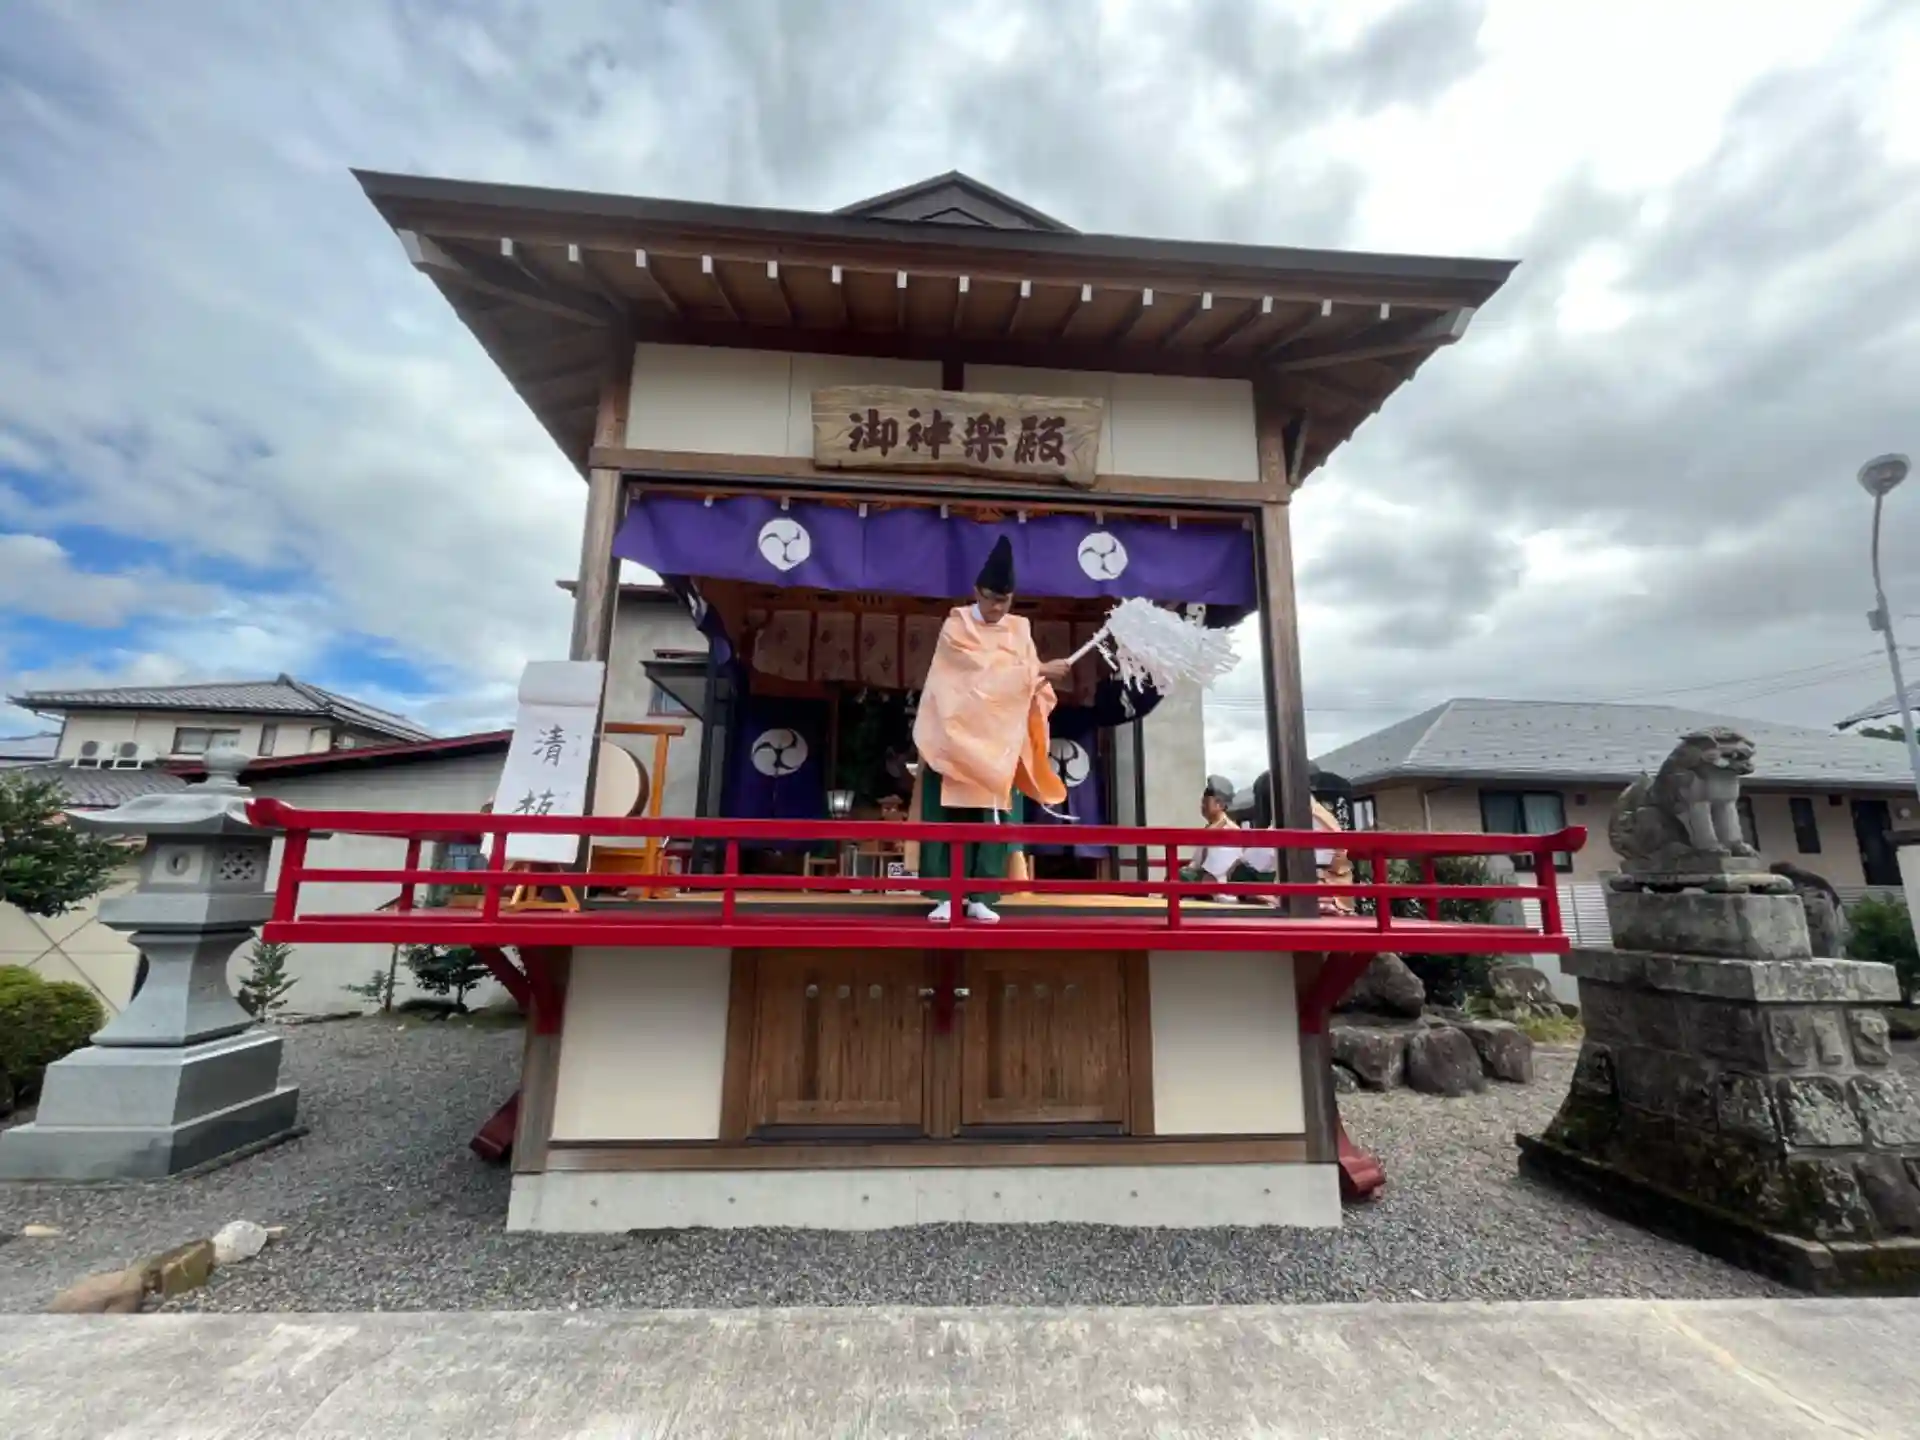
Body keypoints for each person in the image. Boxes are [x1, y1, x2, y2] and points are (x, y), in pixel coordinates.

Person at [911, 535, 1072, 922]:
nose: (997, 608)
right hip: (954, 738)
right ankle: (945, 896)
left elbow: (1025, 682)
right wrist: (1037, 671)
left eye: (1005, 600)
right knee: (948, 818)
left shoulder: (1020, 629)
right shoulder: (956, 626)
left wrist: (1040, 682)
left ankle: (982, 895)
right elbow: (970, 678)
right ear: (976, 592)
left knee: (991, 818)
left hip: (999, 741)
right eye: (991, 599)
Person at [1179, 775, 1279, 897]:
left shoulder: (1228, 831)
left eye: (1206, 802)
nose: (1203, 806)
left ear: (1220, 804)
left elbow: (1214, 875)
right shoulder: (1212, 828)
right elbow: (1196, 863)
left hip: (1220, 892)